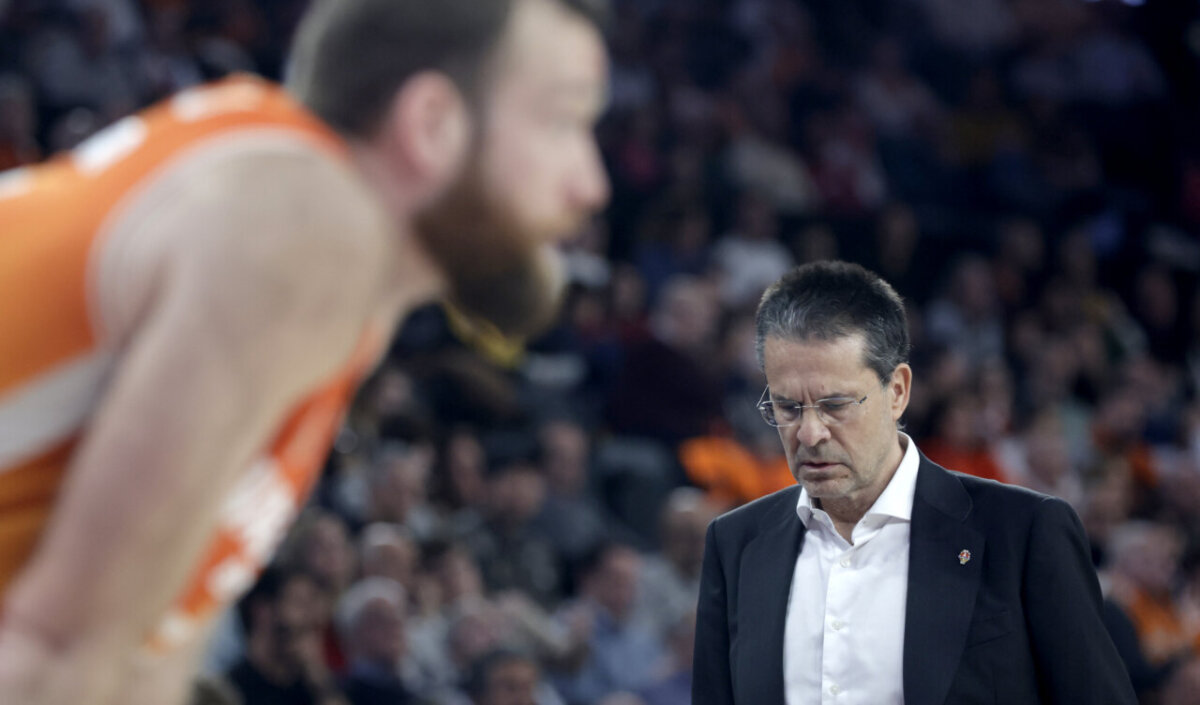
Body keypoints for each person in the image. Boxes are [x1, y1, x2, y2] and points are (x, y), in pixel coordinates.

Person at [0, 0, 611, 703]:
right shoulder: (308, 224)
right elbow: (52, 655)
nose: (589, 184)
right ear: (432, 123)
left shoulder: (306, 239)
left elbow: (140, 653)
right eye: (563, 122)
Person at [692, 261, 1136, 704]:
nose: (809, 433)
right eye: (788, 408)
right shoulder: (735, 544)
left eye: (835, 405)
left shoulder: (1025, 532)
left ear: (898, 391)